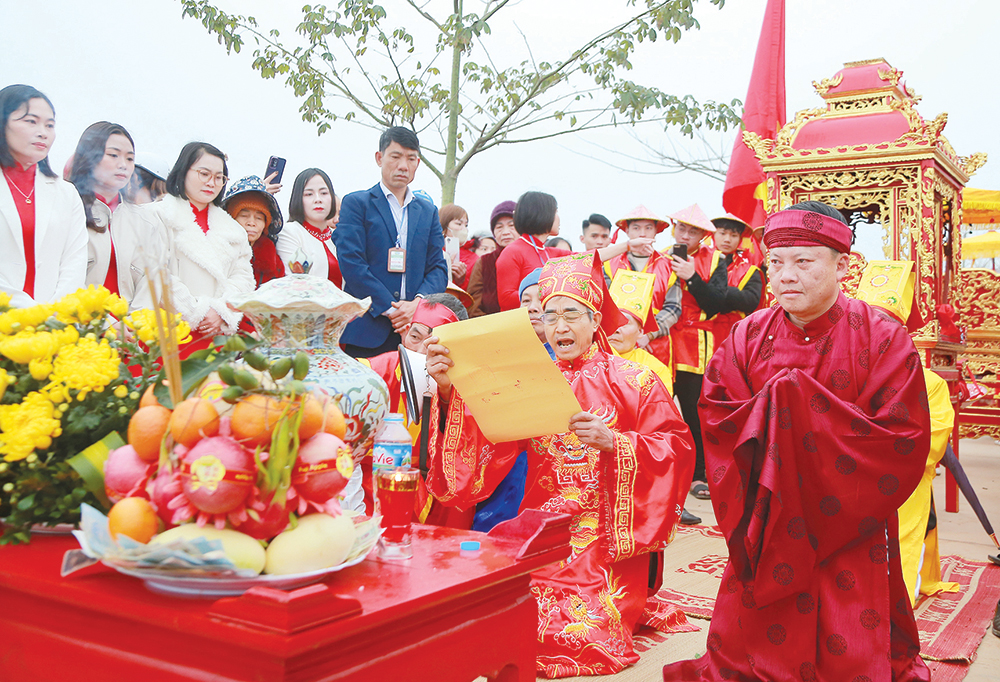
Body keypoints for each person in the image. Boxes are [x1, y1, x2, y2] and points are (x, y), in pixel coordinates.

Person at [662, 202, 932, 682]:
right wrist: (778, 417)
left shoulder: (883, 337)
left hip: (848, 520)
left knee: (849, 648)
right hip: (767, 518)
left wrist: (799, 408)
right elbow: (718, 415)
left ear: (842, 265)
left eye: (803, 262)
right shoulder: (747, 336)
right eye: (775, 263)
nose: (785, 276)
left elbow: (901, 436)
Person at [426, 252, 695, 678]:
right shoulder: (530, 377)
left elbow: (676, 447)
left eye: (572, 314)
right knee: (484, 613)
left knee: (579, 632)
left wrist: (617, 443)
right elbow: (487, 439)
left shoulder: (636, 381)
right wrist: (447, 392)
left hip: (604, 530)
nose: (560, 327)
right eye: (550, 316)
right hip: (540, 525)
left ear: (594, 320)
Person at [852, 261, 959, 605]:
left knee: (888, 591)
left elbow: (933, 439)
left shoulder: (930, 383)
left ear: (900, 333)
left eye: (884, 324)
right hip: (844, 477)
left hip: (898, 482)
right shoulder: (841, 371)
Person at [334, 127, 448, 357]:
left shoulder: (427, 211)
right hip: (368, 329)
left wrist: (417, 305)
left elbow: (438, 267)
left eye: (411, 158)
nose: (403, 165)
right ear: (379, 158)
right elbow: (352, 263)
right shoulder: (357, 203)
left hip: (417, 334)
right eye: (395, 156)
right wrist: (392, 309)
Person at [131, 141, 253, 345]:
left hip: (214, 334)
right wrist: (199, 312)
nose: (211, 183)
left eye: (219, 177)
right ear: (184, 171)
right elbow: (156, 272)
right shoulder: (156, 216)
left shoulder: (234, 230)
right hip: (167, 332)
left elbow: (243, 278)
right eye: (204, 174)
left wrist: (221, 310)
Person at [0, 84, 87, 308]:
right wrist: (29, 312)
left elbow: (74, 263)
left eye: (50, 125)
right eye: (31, 121)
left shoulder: (66, 193)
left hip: (53, 327)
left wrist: (51, 318)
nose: (43, 132)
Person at [666, 204, 727, 503]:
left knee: (694, 412)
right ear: (673, 227)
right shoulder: (660, 256)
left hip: (696, 344)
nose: (686, 235)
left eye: (693, 231)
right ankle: (663, 471)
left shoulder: (715, 259)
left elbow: (717, 303)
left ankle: (699, 474)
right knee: (658, 411)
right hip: (661, 342)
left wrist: (692, 277)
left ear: (703, 236)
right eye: (682, 228)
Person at [69, 121, 157, 307]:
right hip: (82, 325)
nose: (123, 165)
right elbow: (65, 280)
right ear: (89, 157)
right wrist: (104, 323)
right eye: (113, 155)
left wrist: (136, 323)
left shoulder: (145, 220)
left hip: (132, 330)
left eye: (130, 159)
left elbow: (152, 280)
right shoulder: (68, 209)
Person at [603, 205, 680, 374]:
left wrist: (648, 335)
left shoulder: (669, 265)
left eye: (648, 228)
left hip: (657, 344)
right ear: (627, 231)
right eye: (636, 228)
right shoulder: (609, 264)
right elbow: (605, 304)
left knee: (656, 389)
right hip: (617, 341)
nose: (642, 234)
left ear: (656, 232)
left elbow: (674, 308)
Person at [495, 191, 572, 311]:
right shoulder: (512, 252)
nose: (558, 218)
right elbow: (506, 299)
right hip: (523, 325)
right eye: (555, 212)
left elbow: (589, 258)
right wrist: (545, 294)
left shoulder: (549, 252)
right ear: (542, 214)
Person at [275, 168, 341, 287]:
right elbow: (294, 282)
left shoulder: (337, 236)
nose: (318, 199)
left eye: (324, 193)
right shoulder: (290, 232)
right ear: (298, 199)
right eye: (309, 194)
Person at [710, 213, 765, 347]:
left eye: (733, 235)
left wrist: (716, 292)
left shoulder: (750, 271)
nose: (727, 239)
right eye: (722, 233)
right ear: (712, 235)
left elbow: (750, 301)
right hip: (701, 333)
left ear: (740, 239)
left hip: (734, 333)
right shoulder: (698, 263)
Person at [222, 176, 284, 288]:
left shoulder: (273, 259)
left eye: (259, 218)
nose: (251, 223)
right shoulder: (219, 250)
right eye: (244, 216)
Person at [467, 200, 518, 317]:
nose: (505, 232)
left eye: (512, 226)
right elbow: (473, 305)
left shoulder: (530, 256)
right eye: (499, 227)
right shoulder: (484, 262)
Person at [439, 203, 477, 289]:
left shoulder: (474, 259)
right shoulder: (432, 252)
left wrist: (460, 281)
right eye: (459, 224)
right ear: (444, 226)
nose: (464, 228)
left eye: (466, 225)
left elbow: (474, 292)